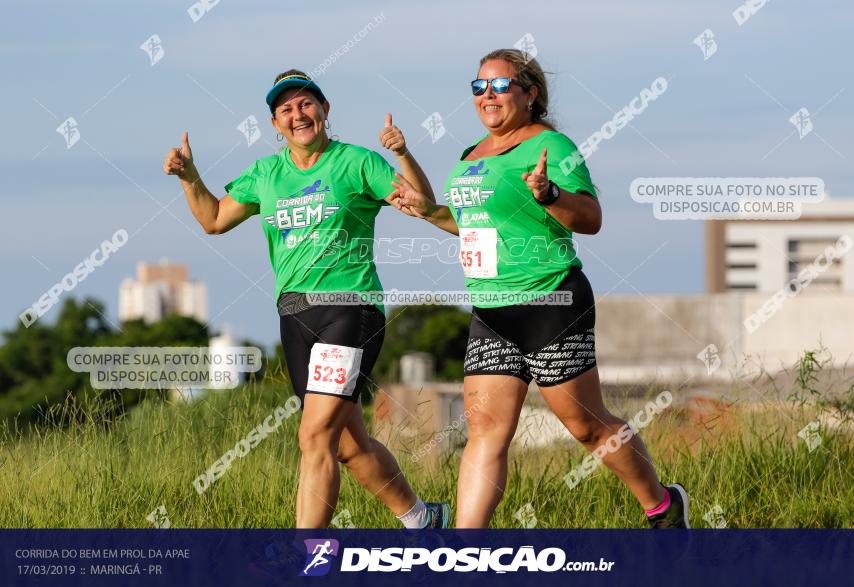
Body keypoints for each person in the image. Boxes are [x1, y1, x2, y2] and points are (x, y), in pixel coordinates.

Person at [389, 50, 690, 528]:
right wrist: (429, 211)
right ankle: (465, 554)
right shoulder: (469, 156)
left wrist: (549, 194)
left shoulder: (551, 146)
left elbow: (590, 219)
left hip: (551, 302)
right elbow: (474, 226)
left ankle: (661, 505)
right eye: (479, 87)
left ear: (529, 94)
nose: (488, 96)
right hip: (491, 311)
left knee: (586, 426)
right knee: (485, 430)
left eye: (501, 86)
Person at [163, 69, 450, 529]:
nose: (298, 114)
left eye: (306, 104)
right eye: (285, 109)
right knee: (347, 445)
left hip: (349, 309)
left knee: (314, 435)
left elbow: (420, 202)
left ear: (325, 110)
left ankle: (307, 558)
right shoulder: (265, 173)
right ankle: (423, 521)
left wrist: (401, 153)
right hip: (294, 315)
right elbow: (214, 218)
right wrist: (188, 175)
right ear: (275, 124)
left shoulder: (356, 162)